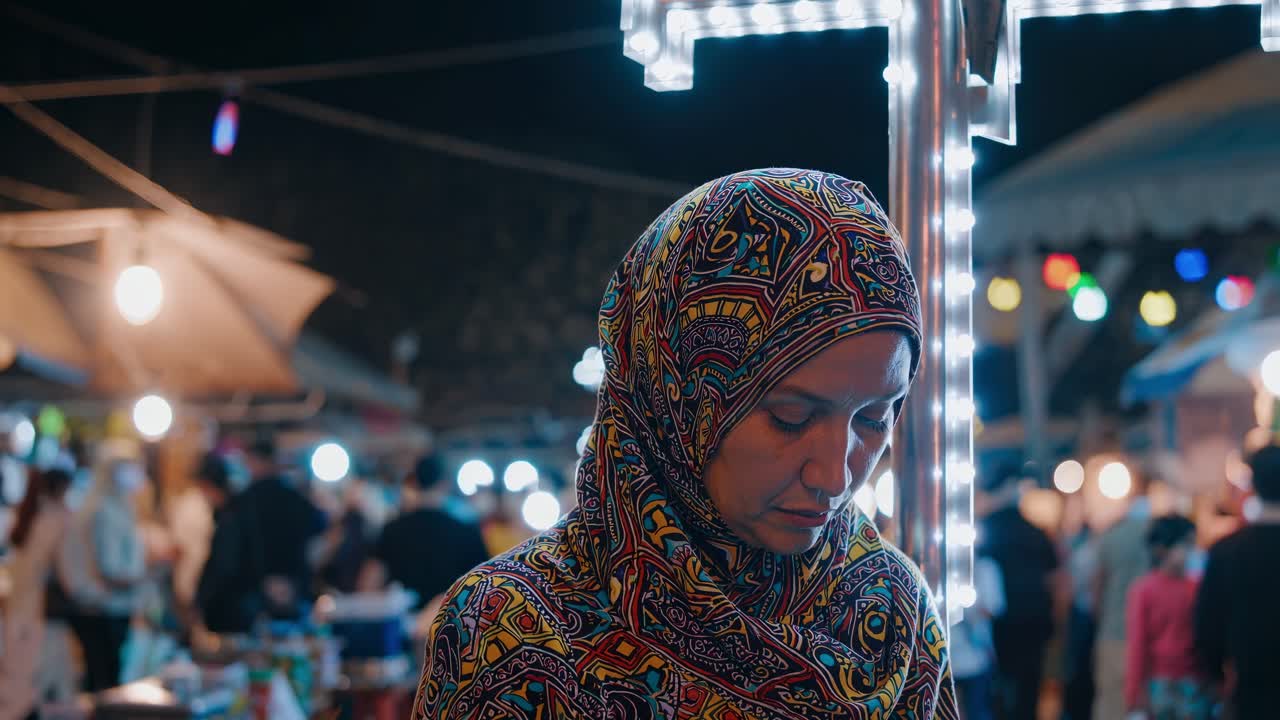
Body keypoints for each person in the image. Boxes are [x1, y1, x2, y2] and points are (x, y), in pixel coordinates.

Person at [412, 169, 957, 719]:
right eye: (791, 417)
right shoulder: (510, 627)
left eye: (874, 419)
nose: (835, 477)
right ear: (676, 398)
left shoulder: (892, 609)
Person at [1194, 444, 1280, 719]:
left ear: (1253, 484)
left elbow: (1207, 621)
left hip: (1248, 683)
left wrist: (1216, 674)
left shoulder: (1227, 550)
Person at [57, 444, 148, 692]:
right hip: (103, 608)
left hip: (107, 607)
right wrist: (142, 577)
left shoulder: (117, 505)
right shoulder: (102, 508)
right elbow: (110, 568)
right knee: (105, 683)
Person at [977, 462, 1058, 720]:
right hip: (1035, 618)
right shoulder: (1035, 530)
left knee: (999, 683)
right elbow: (1053, 576)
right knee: (1029, 686)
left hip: (1000, 620)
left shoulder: (985, 529)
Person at [358, 454, 489, 610]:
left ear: (415, 482)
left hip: (403, 626)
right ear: (445, 484)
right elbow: (484, 585)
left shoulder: (392, 529)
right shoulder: (466, 530)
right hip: (452, 625)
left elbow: (369, 583)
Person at [0, 466, 73, 720]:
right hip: (41, 611)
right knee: (37, 681)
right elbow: (67, 571)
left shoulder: (29, 515)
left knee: (15, 676)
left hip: (17, 606)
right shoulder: (59, 519)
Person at [1125, 515, 1211, 720]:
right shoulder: (1144, 590)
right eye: (1186, 544)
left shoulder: (1197, 587)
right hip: (1159, 682)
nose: (1191, 551)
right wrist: (1134, 692)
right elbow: (1138, 644)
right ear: (1162, 548)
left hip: (1193, 680)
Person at [1092, 466, 1151, 720]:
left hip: (1114, 627)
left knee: (1111, 700)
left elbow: (1097, 584)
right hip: (1152, 632)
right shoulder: (1159, 532)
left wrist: (1099, 616)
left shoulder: (1111, 534)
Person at [950, 555, 1005, 720]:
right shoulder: (938, 567)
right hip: (946, 657)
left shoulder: (985, 569)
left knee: (977, 709)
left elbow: (993, 608)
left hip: (975, 655)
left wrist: (969, 606)